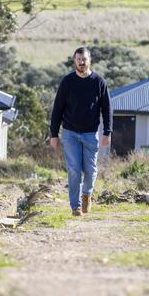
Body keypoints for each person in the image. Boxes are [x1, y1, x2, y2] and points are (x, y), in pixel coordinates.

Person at [49, 47, 112, 216]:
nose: (81, 62)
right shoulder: (67, 82)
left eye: (84, 59)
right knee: (74, 169)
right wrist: (53, 134)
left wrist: (108, 131)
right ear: (74, 61)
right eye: (78, 59)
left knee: (90, 171)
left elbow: (107, 109)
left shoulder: (99, 82)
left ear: (89, 60)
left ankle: (87, 195)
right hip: (70, 133)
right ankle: (75, 206)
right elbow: (57, 109)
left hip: (91, 134)